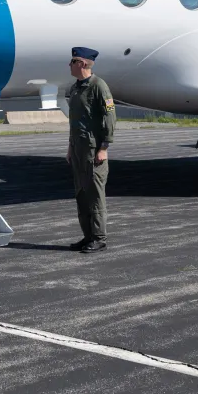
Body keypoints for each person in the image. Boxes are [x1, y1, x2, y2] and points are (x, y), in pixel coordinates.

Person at [65, 46, 116, 252]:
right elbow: (75, 122)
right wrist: (70, 147)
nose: (70, 65)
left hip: (94, 150)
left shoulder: (99, 86)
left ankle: (99, 238)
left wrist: (104, 147)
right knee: (81, 194)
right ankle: (87, 236)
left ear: (83, 64)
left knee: (95, 194)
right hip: (78, 149)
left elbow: (110, 118)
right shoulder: (76, 88)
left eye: (73, 62)